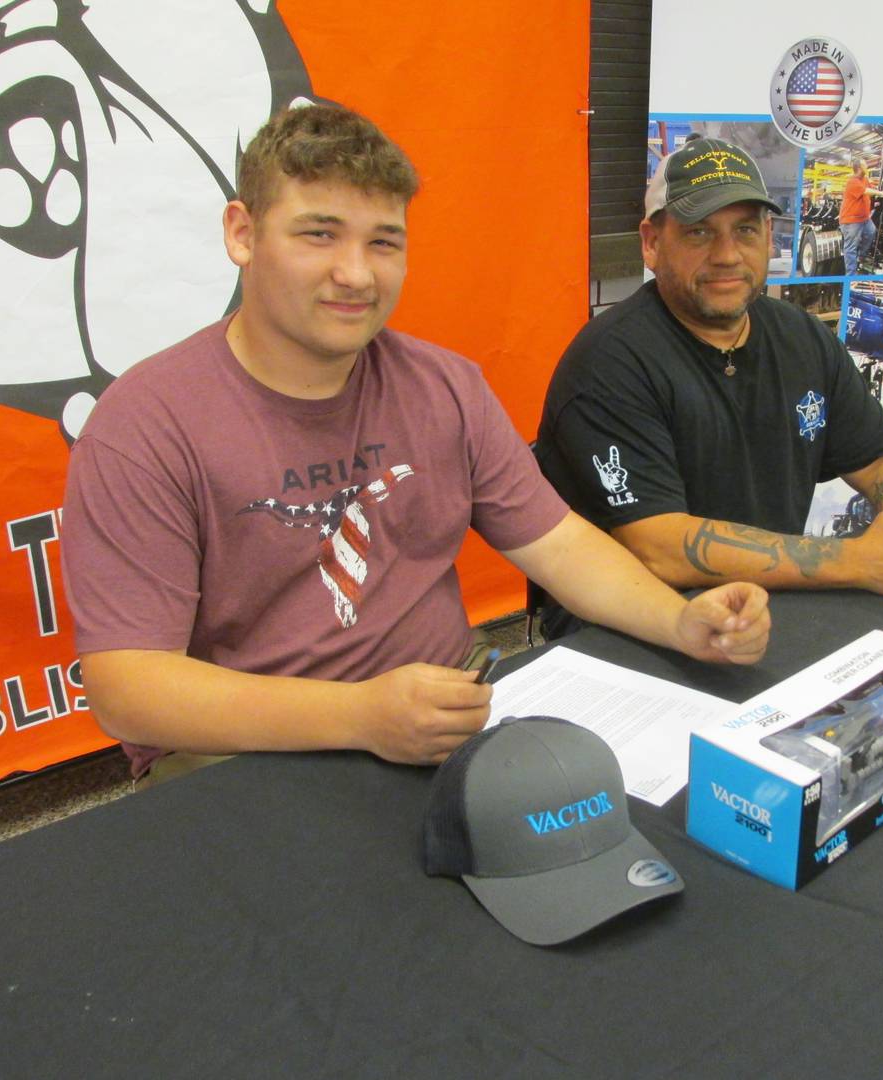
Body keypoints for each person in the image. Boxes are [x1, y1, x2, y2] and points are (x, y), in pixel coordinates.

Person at [60, 105, 771, 782]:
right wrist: (361, 716)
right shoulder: (144, 428)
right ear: (242, 234)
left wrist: (680, 622)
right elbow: (128, 686)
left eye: (383, 241)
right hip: (243, 754)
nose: (357, 273)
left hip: (443, 708)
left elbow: (558, 545)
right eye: (319, 234)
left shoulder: (444, 385)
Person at [535, 136, 883, 637]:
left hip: (772, 605)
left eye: (746, 230)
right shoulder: (611, 363)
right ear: (651, 242)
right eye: (698, 233)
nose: (727, 255)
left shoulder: (800, 336)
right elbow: (659, 546)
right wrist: (861, 560)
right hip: (628, 629)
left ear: (769, 234)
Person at [839, 158, 883, 277]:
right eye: (865, 165)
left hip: (863, 218)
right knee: (851, 247)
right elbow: (866, 191)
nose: (867, 166)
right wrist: (881, 193)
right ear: (859, 168)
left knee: (871, 232)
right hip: (851, 220)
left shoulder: (864, 179)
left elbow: (872, 188)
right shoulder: (853, 181)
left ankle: (861, 257)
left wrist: (882, 192)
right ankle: (851, 275)